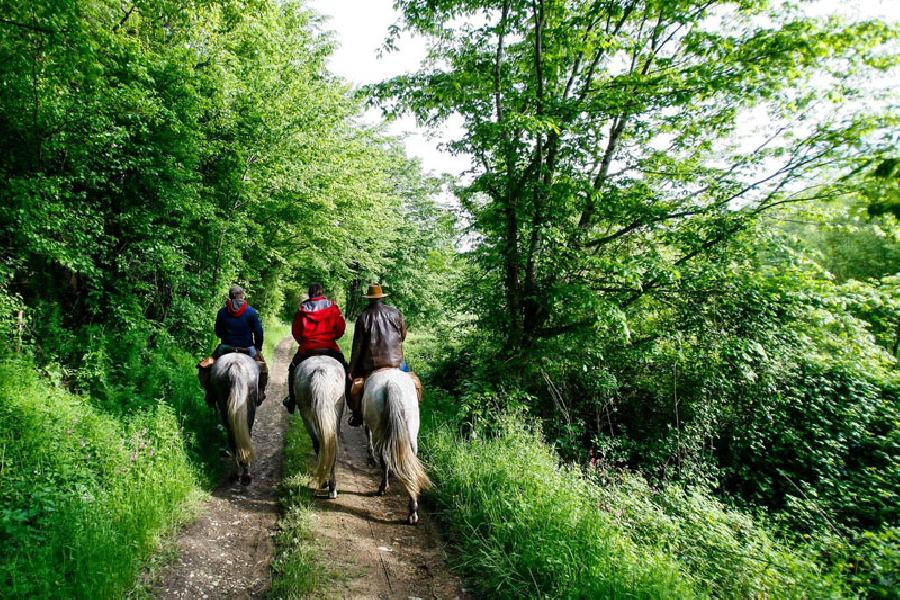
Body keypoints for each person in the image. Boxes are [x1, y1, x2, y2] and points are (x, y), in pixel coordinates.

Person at [346, 283, 421, 426]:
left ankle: (356, 416)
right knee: (414, 383)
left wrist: (351, 369)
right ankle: (414, 407)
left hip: (372, 366)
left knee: (355, 387)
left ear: (369, 298)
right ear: (381, 298)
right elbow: (403, 335)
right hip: (396, 363)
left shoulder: (363, 317)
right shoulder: (395, 313)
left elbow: (358, 347)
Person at [282, 282, 347, 414]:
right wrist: (332, 337)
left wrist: (305, 341)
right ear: (321, 293)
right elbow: (340, 329)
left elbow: (296, 332)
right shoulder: (333, 307)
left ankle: (292, 399)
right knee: (346, 367)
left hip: (307, 348)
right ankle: (352, 401)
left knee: (293, 368)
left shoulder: (302, 310)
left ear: (309, 293)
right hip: (329, 347)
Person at [198, 284, 268, 405]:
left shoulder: (222, 312)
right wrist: (258, 348)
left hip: (226, 348)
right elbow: (259, 332)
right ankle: (260, 392)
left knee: (205, 366)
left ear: (230, 297)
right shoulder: (251, 312)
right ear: (240, 296)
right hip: (247, 348)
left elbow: (219, 333)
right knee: (263, 368)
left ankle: (210, 394)